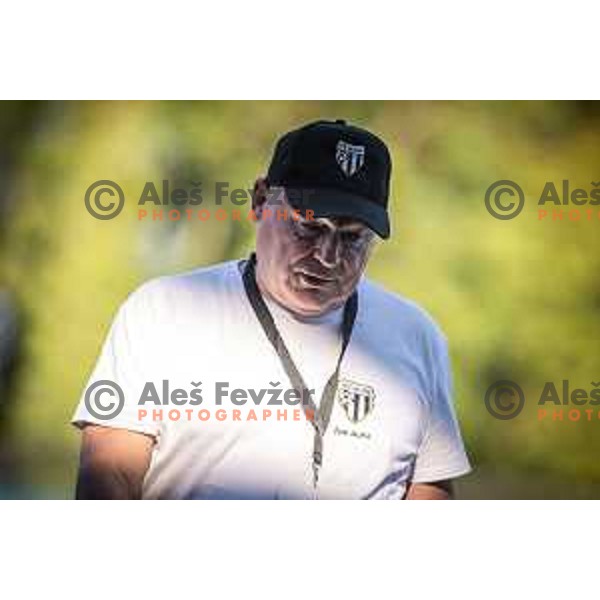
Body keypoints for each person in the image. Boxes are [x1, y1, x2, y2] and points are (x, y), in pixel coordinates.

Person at [72, 119, 471, 499]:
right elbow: (111, 469)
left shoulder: (416, 334)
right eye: (309, 227)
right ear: (261, 200)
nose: (328, 257)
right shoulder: (164, 310)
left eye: (352, 239)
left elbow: (429, 484)